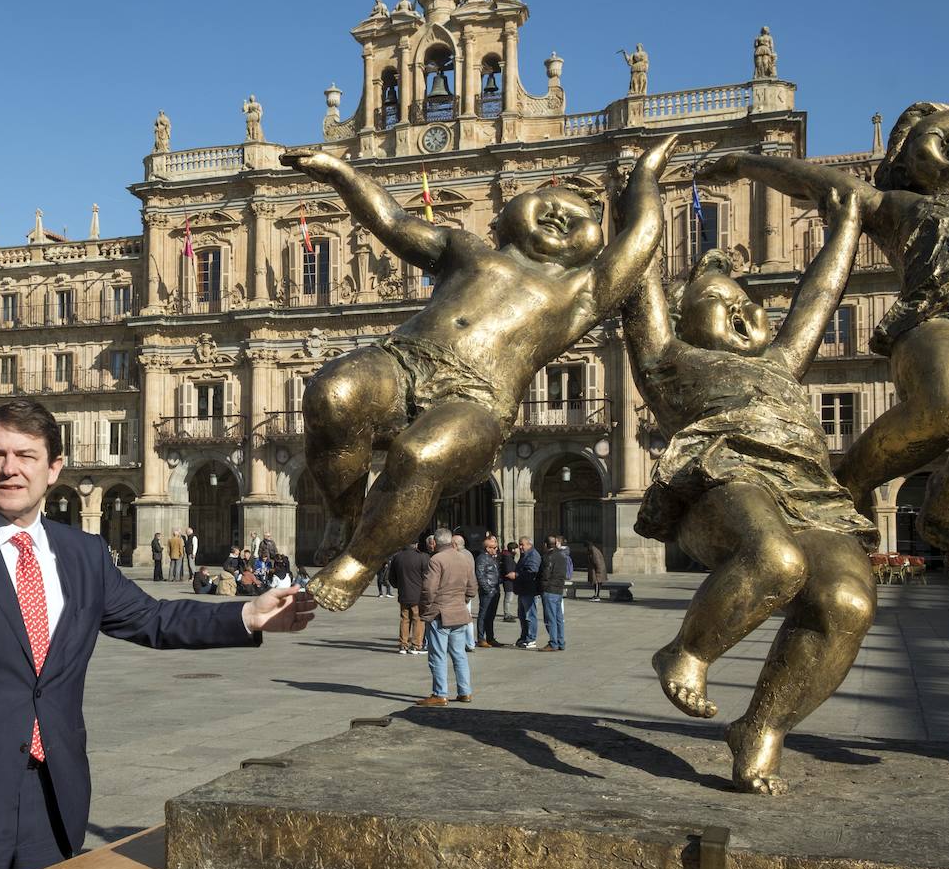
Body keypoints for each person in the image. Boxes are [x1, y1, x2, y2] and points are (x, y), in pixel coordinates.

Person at [0, 400, 315, 869]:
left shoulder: (83, 552)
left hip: (55, 792)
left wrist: (248, 615)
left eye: (25, 455)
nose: (9, 468)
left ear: (54, 468)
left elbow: (151, 619)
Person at [281, 136, 676, 611]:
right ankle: (344, 516)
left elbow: (643, 233)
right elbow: (391, 220)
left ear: (597, 241)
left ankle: (358, 563)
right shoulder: (464, 248)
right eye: (546, 204)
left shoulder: (584, 290)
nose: (557, 215)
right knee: (333, 392)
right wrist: (341, 173)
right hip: (404, 358)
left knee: (419, 454)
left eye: (579, 217)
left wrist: (646, 177)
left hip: (477, 398)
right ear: (507, 213)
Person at [619, 187, 876, 795]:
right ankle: (687, 652)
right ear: (681, 323)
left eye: (750, 306)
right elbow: (638, 273)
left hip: (810, 495)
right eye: (719, 304)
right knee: (776, 561)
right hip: (721, 478)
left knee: (847, 603)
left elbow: (819, 295)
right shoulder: (665, 358)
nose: (743, 314)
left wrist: (845, 227)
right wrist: (642, 187)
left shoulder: (782, 362)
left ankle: (761, 728)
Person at [707, 103, 949, 549]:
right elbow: (810, 182)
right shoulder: (893, 204)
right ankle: (849, 480)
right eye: (943, 135)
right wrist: (742, 162)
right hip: (936, 318)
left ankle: (945, 503)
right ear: (903, 160)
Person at [415, 528, 476, 705]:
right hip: (459, 612)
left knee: (437, 655)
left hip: (440, 613)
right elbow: (472, 587)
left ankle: (440, 694)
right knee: (459, 654)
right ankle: (465, 692)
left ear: (436, 543)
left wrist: (425, 609)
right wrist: (462, 600)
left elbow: (429, 589)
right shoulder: (464, 557)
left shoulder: (436, 559)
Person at [388, 540, 429, 654]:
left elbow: (391, 577)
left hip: (403, 593)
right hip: (418, 595)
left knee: (404, 619)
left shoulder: (397, 557)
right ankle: (416, 645)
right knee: (418, 619)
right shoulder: (422, 557)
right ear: (416, 544)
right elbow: (427, 577)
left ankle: (403, 645)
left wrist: (399, 586)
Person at [537, 534, 568, 651]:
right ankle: (561, 642)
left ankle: (553, 642)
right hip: (559, 589)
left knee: (551, 618)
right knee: (558, 617)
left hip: (550, 590)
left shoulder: (547, 557)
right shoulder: (562, 556)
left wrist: (543, 587)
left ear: (545, 545)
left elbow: (546, 574)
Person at [514, 537, 542, 649]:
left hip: (530, 590)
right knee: (522, 615)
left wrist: (516, 575)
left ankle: (531, 638)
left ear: (529, 545)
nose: (520, 547)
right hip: (523, 590)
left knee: (530, 615)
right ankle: (524, 637)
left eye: (522, 544)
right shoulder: (525, 555)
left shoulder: (533, 555)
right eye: (519, 544)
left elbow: (532, 572)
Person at [474, 536, 502, 647]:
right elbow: (480, 575)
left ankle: (490, 637)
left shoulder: (492, 558)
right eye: (494, 547)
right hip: (488, 591)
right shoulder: (482, 558)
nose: (496, 549)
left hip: (495, 590)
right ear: (487, 548)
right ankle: (481, 638)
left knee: (491, 615)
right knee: (483, 615)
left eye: (496, 547)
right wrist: (487, 589)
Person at [499, 541, 518, 622]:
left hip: (510, 581)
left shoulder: (509, 556)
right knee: (508, 598)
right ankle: (506, 614)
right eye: (516, 549)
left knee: (509, 598)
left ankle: (508, 613)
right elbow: (508, 570)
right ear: (513, 549)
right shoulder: (508, 558)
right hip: (508, 581)